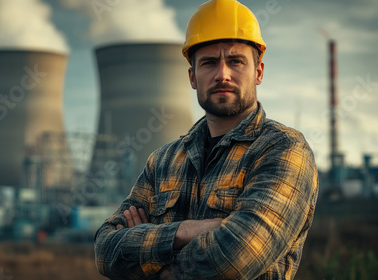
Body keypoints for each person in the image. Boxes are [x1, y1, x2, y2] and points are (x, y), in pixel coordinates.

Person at [94, 0, 319, 279]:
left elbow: (236, 257)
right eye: (209, 63)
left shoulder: (283, 150)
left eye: (236, 61)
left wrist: (149, 259)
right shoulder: (163, 161)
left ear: (258, 72)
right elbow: (105, 251)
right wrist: (186, 230)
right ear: (192, 77)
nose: (222, 74)